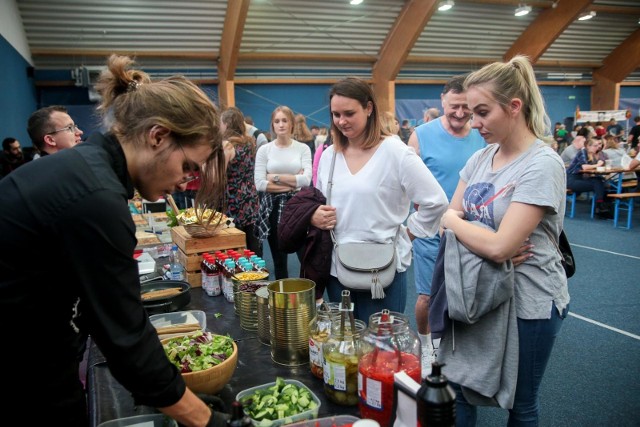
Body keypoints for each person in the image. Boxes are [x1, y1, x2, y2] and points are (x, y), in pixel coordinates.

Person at [0, 54, 229, 427]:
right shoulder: (96, 197)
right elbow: (124, 334)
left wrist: (176, 395)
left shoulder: (89, 170)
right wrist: (202, 418)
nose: (189, 182)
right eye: (189, 166)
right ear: (157, 136)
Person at [438, 55, 569, 426]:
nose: (473, 122)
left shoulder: (541, 164)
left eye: (482, 112)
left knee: (520, 403)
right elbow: (450, 223)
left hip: (529, 300)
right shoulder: (481, 157)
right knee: (459, 387)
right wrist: (456, 222)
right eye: (469, 111)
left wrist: (456, 222)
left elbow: (500, 247)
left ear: (514, 107)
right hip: (476, 292)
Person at [314, 77, 448, 323]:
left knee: (381, 352)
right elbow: (318, 200)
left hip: (383, 270)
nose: (341, 121)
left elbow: (436, 201)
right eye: (335, 114)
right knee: (345, 348)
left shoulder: (395, 152)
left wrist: (409, 233)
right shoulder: (329, 156)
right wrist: (316, 215)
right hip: (338, 269)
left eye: (349, 113)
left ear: (368, 108)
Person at [407, 74, 486, 374]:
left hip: (471, 230)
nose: (461, 113)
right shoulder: (420, 135)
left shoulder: (482, 134)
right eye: (454, 106)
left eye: (467, 107)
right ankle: (427, 347)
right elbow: (405, 183)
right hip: (430, 229)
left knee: (466, 293)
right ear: (442, 101)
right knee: (428, 296)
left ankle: (461, 348)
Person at [254, 105, 312, 279]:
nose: (281, 124)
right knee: (279, 262)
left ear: (291, 124)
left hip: (298, 207)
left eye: (284, 120)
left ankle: (310, 298)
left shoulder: (303, 148)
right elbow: (259, 184)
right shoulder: (265, 150)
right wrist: (292, 181)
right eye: (277, 121)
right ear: (272, 124)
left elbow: (306, 180)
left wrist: (274, 177)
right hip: (272, 208)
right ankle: (282, 302)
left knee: (305, 258)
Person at [220, 106, 262, 256]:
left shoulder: (227, 145)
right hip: (250, 199)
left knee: (234, 243)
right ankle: (260, 275)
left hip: (233, 203)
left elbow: (218, 175)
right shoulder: (250, 143)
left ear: (227, 123)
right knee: (253, 243)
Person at [567, 137, 613, 219]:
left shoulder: (592, 154)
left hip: (580, 178)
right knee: (598, 183)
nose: (597, 147)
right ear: (588, 146)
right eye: (595, 146)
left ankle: (600, 206)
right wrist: (598, 165)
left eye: (598, 145)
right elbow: (585, 167)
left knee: (599, 181)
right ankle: (600, 207)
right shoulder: (582, 152)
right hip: (570, 180)